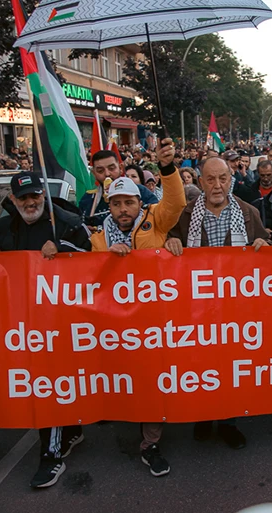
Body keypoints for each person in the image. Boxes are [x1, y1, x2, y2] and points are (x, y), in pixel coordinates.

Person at [0, 171, 92, 488]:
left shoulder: (65, 223)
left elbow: (92, 260)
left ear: (43, 196)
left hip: (57, 321)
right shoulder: (2, 229)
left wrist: (62, 248)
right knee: (36, 383)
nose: (31, 202)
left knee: (49, 384)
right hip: (19, 322)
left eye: (35, 196)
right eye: (23, 198)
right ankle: (70, 430)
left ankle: (52, 455)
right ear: (14, 200)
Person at [88, 140, 185, 477]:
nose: (123, 209)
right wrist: (103, 259)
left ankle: (150, 443)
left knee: (153, 382)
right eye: (116, 204)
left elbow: (175, 202)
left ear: (138, 202)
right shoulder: (98, 238)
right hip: (117, 327)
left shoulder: (154, 222)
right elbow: (89, 278)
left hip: (154, 322)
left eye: (129, 202)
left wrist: (167, 168)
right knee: (126, 378)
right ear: (110, 207)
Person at [165, 157, 268, 450]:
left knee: (232, 368)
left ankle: (229, 423)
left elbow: (266, 250)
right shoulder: (187, 215)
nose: (217, 185)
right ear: (200, 183)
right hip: (198, 310)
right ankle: (203, 417)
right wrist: (171, 243)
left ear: (230, 178)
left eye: (222, 178)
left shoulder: (248, 213)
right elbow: (172, 242)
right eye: (210, 179)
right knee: (202, 366)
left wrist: (263, 246)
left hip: (237, 312)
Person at [80, 150, 157, 227]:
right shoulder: (88, 199)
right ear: (94, 173)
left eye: (111, 168)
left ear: (121, 168)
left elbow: (158, 217)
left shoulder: (140, 191)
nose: (107, 174)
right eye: (100, 171)